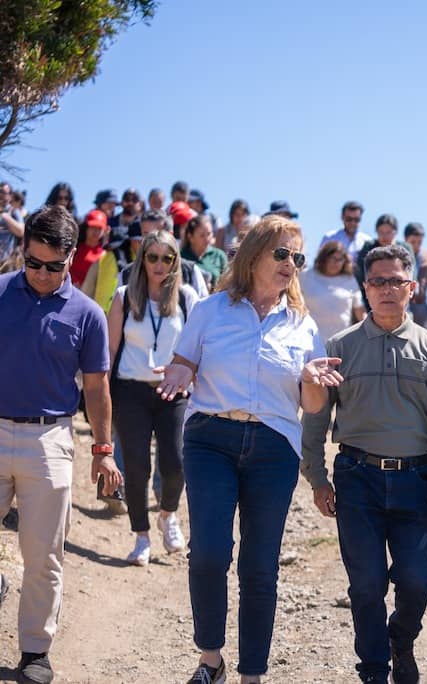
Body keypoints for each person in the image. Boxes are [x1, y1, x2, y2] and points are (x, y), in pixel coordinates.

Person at [157, 215, 341, 684]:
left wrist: (310, 382)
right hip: (210, 440)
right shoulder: (210, 309)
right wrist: (179, 373)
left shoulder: (303, 325)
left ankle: (252, 674)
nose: (290, 265)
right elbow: (183, 361)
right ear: (254, 254)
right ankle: (211, 660)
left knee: (260, 566)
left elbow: (313, 403)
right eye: (282, 254)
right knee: (210, 553)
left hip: (274, 449)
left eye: (297, 258)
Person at [301, 243, 427, 684]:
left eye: (396, 281)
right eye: (378, 281)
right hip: (356, 480)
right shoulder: (338, 346)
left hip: (415, 480)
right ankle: (373, 670)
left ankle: (402, 639)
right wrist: (317, 478)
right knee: (367, 585)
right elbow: (315, 422)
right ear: (365, 289)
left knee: (416, 581)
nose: (387, 289)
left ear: (412, 288)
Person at [0, 205, 122, 683]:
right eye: (33, 263)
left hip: (49, 438)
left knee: (43, 553)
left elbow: (96, 389)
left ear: (72, 257)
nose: (42, 275)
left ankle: (34, 650)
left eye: (54, 266)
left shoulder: (87, 315)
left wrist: (104, 450)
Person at [107, 231, 198, 566]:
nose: (160, 265)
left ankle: (167, 515)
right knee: (136, 466)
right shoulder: (124, 296)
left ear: (176, 261)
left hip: (174, 391)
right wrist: (101, 396)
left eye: (168, 258)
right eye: (153, 257)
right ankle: (141, 536)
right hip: (131, 390)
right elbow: (110, 350)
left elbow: (200, 348)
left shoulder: (187, 297)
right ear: (142, 259)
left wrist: (190, 375)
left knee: (174, 463)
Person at [300, 240, 364, 340]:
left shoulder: (350, 280)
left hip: (342, 342)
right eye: (332, 258)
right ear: (324, 258)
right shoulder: (306, 276)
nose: (336, 263)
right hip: (310, 339)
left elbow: (359, 311)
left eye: (340, 259)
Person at [355, 214, 415, 310]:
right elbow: (361, 273)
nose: (384, 236)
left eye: (388, 232)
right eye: (381, 232)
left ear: (395, 232)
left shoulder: (406, 248)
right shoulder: (368, 246)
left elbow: (411, 272)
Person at [403, 222, 427, 331]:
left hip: (421, 305)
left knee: (424, 338)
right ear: (405, 239)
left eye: (419, 242)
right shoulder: (398, 256)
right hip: (402, 304)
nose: (416, 246)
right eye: (412, 242)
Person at [181, 214, 228, 287]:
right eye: (202, 235)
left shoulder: (219, 255)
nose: (207, 239)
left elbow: (227, 283)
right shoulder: (181, 257)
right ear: (190, 237)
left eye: (209, 234)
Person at [70, 210, 109, 288]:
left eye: (99, 228)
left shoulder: (105, 255)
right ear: (86, 228)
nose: (96, 231)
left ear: (104, 231)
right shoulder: (74, 248)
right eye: (93, 227)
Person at [0, 181, 25, 263]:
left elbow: (21, 231)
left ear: (10, 196)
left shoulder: (13, 211)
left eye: (4, 192)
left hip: (6, 262)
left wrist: (4, 215)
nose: (1, 195)